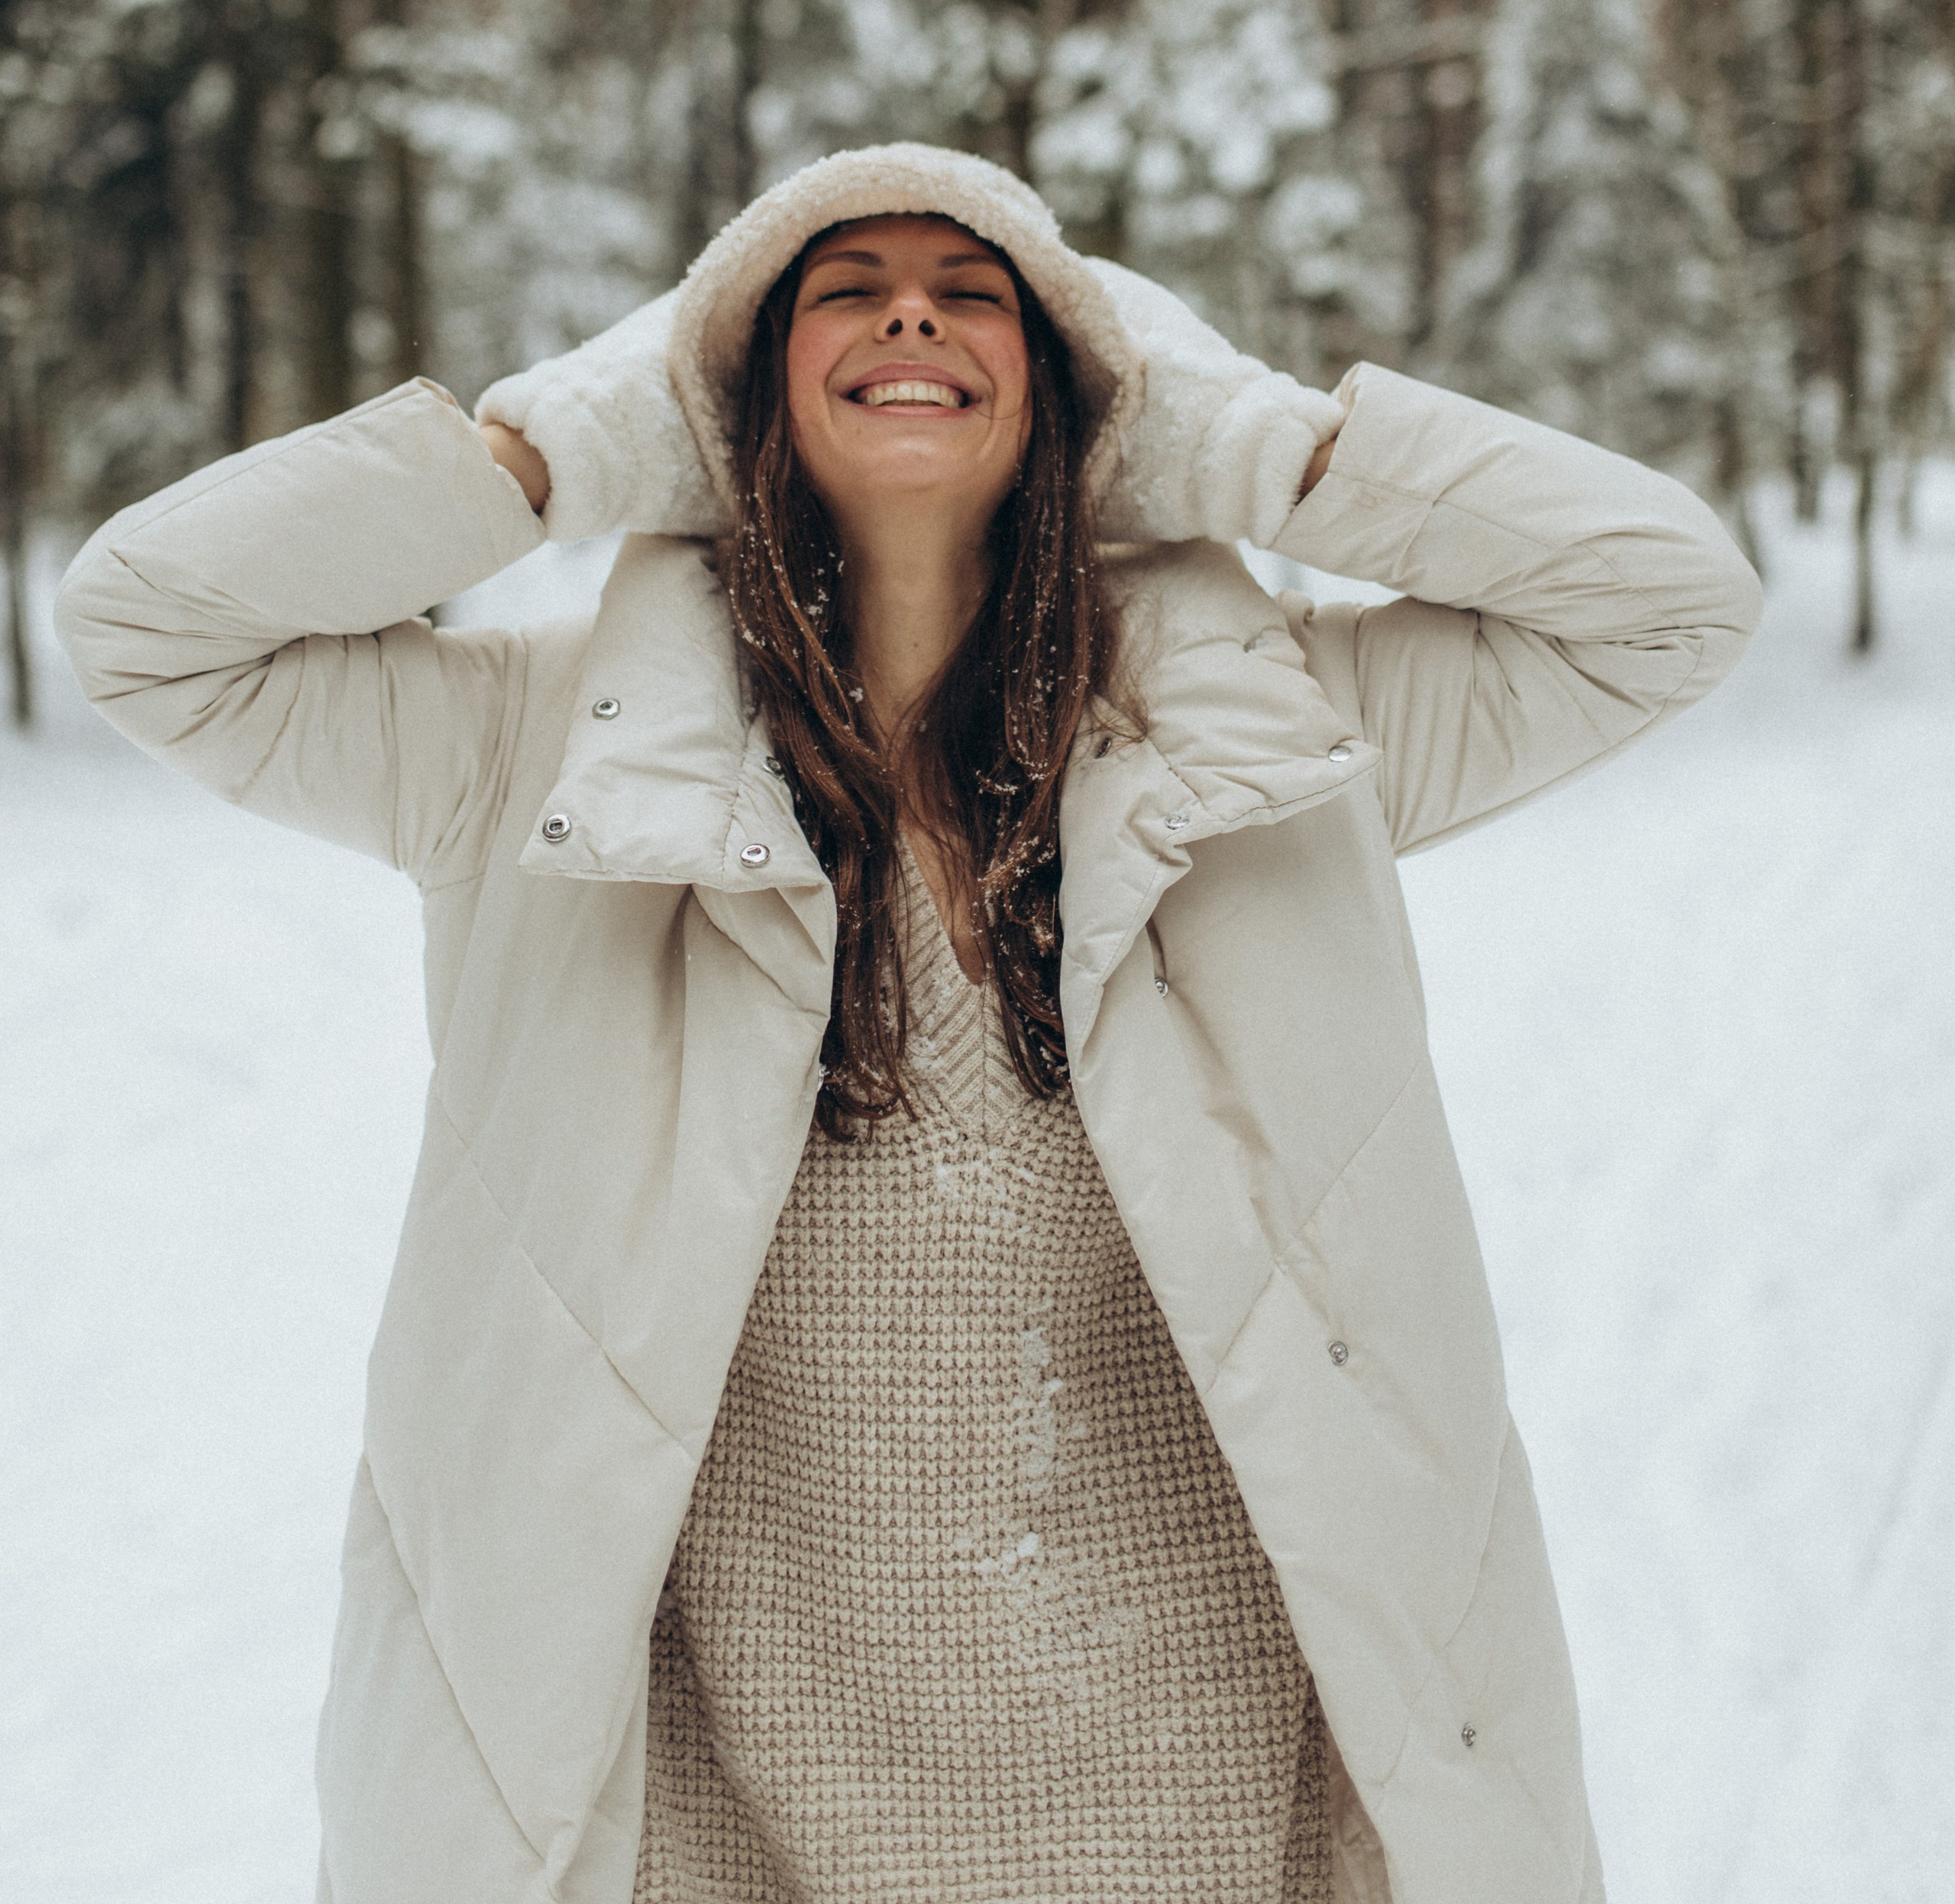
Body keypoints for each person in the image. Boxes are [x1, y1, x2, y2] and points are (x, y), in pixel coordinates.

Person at [56, 141, 1760, 1904]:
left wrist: (1244, 440)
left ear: (1071, 377)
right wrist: (549, 449)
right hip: (720, 1810)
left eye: (970, 292)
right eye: (842, 289)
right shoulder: (539, 750)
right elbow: (153, 625)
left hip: (1198, 1791)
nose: (909, 315)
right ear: (735, 388)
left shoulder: (1265, 730)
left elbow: (1661, 600)